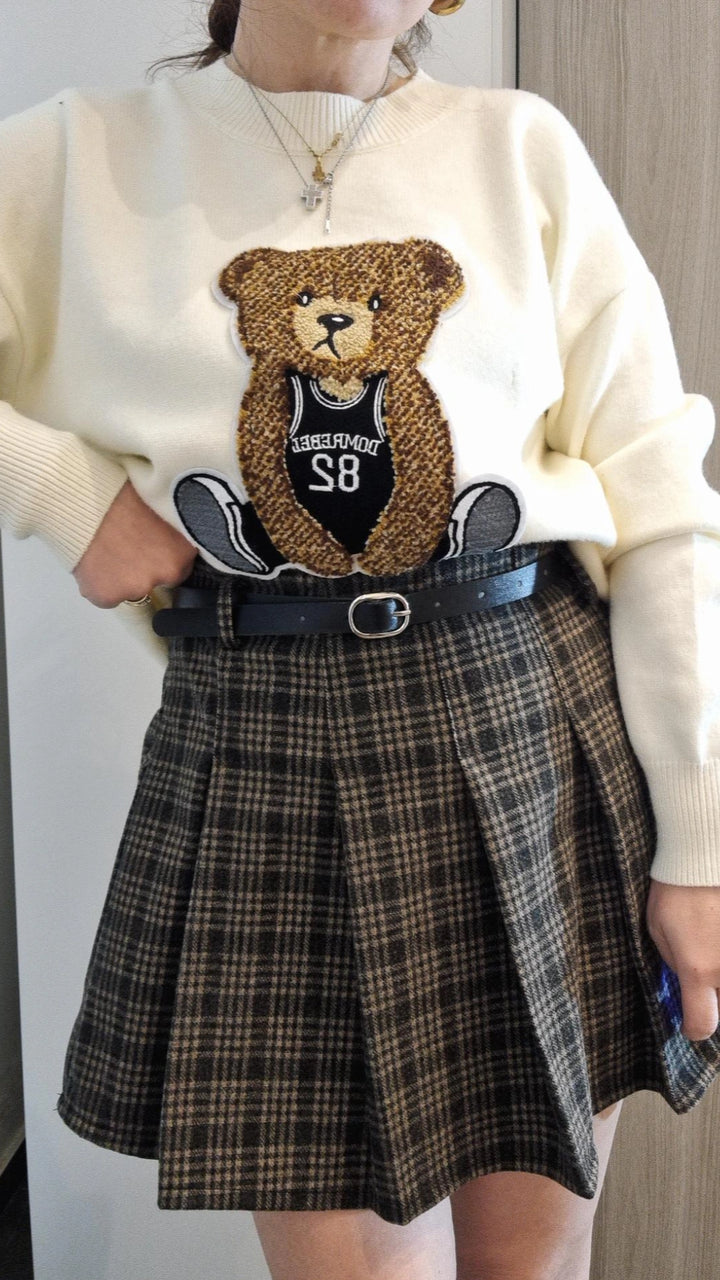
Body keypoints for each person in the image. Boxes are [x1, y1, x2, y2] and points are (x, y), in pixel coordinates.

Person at [2, 1, 720, 1277]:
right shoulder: (71, 158)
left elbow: (662, 505)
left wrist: (703, 840)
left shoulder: (520, 149)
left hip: (534, 727)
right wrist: (63, 493)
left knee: (536, 1259)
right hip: (265, 752)